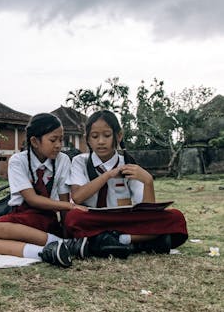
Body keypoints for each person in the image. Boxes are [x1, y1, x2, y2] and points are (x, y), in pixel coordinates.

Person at [0, 113, 89, 268]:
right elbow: (31, 199)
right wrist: (71, 206)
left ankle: (64, 242)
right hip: (20, 216)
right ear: (34, 141)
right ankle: (49, 251)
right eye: (53, 140)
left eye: (61, 140)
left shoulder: (63, 160)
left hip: (45, 219)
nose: (59, 145)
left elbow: (63, 199)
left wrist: (67, 230)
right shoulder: (18, 161)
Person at [65, 110, 188, 258]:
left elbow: (147, 212)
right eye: (95, 136)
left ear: (118, 136)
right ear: (88, 139)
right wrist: (108, 175)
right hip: (94, 219)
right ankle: (142, 242)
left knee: (176, 217)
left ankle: (115, 241)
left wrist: (148, 181)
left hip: (124, 220)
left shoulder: (128, 164)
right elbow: (77, 197)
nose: (101, 141)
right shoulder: (80, 161)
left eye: (107, 135)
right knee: (73, 217)